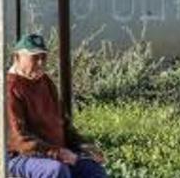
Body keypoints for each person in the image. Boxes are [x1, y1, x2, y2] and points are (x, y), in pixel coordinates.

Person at [6, 33, 109, 178]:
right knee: (56, 171)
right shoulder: (10, 89)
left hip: (52, 153)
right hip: (20, 157)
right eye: (34, 57)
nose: (40, 63)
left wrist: (84, 146)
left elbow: (63, 123)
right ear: (17, 58)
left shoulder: (46, 82)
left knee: (92, 169)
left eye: (43, 57)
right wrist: (57, 152)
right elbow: (18, 140)